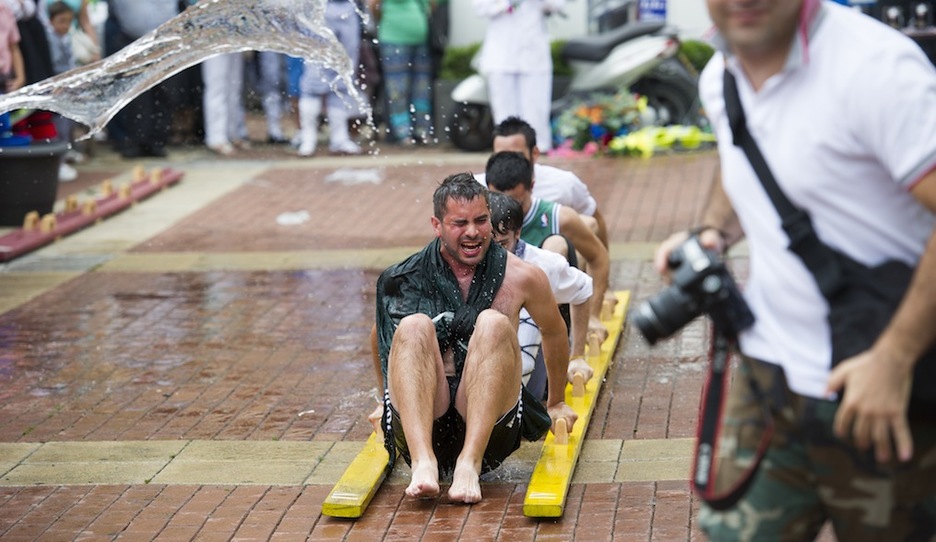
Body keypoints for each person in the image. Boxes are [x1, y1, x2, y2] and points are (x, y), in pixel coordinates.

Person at [652, 0, 936, 539]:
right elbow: (747, 156)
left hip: (879, 390)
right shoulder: (722, 75)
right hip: (768, 381)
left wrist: (894, 359)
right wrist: (712, 232)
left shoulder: (878, 70)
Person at [371, 172, 577, 503]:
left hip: (493, 424)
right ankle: (424, 463)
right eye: (460, 223)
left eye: (481, 221)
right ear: (437, 225)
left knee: (494, 323)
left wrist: (557, 401)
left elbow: (554, 330)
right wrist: (382, 402)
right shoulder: (403, 277)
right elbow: (380, 339)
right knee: (412, 327)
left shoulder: (522, 275)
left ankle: (469, 462)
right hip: (426, 417)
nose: (473, 232)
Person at [485, 150, 610, 344]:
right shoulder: (477, 220)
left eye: (515, 202)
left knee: (558, 244)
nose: (506, 210)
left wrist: (593, 314)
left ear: (532, 186)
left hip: (551, 309)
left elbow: (599, 257)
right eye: (498, 200)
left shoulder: (561, 217)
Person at [489, 191, 594, 399]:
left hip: (529, 368)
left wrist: (578, 355)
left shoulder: (543, 265)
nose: (496, 254)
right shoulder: (469, 260)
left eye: (502, 245)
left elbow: (583, 289)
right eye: (490, 245)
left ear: (517, 232)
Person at [476, 116, 610, 248]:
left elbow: (594, 219)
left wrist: (601, 262)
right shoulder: (476, 187)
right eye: (501, 155)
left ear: (534, 153)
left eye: (516, 155)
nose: (509, 162)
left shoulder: (564, 183)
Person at [472, 0, 563, 151]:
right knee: (504, 110)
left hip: (534, 54)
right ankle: (507, 150)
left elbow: (557, 5)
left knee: (536, 108)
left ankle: (537, 149)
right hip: (501, 55)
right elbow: (480, 8)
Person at [297, 0, 362, 157]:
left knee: (345, 72)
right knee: (314, 72)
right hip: (319, 7)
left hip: (348, 8)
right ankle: (308, 138)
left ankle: (339, 139)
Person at [368, 0, 433, 145]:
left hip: (419, 39)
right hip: (393, 39)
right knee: (397, 89)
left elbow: (429, 6)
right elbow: (373, 6)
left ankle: (422, 130)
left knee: (421, 88)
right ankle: (402, 132)